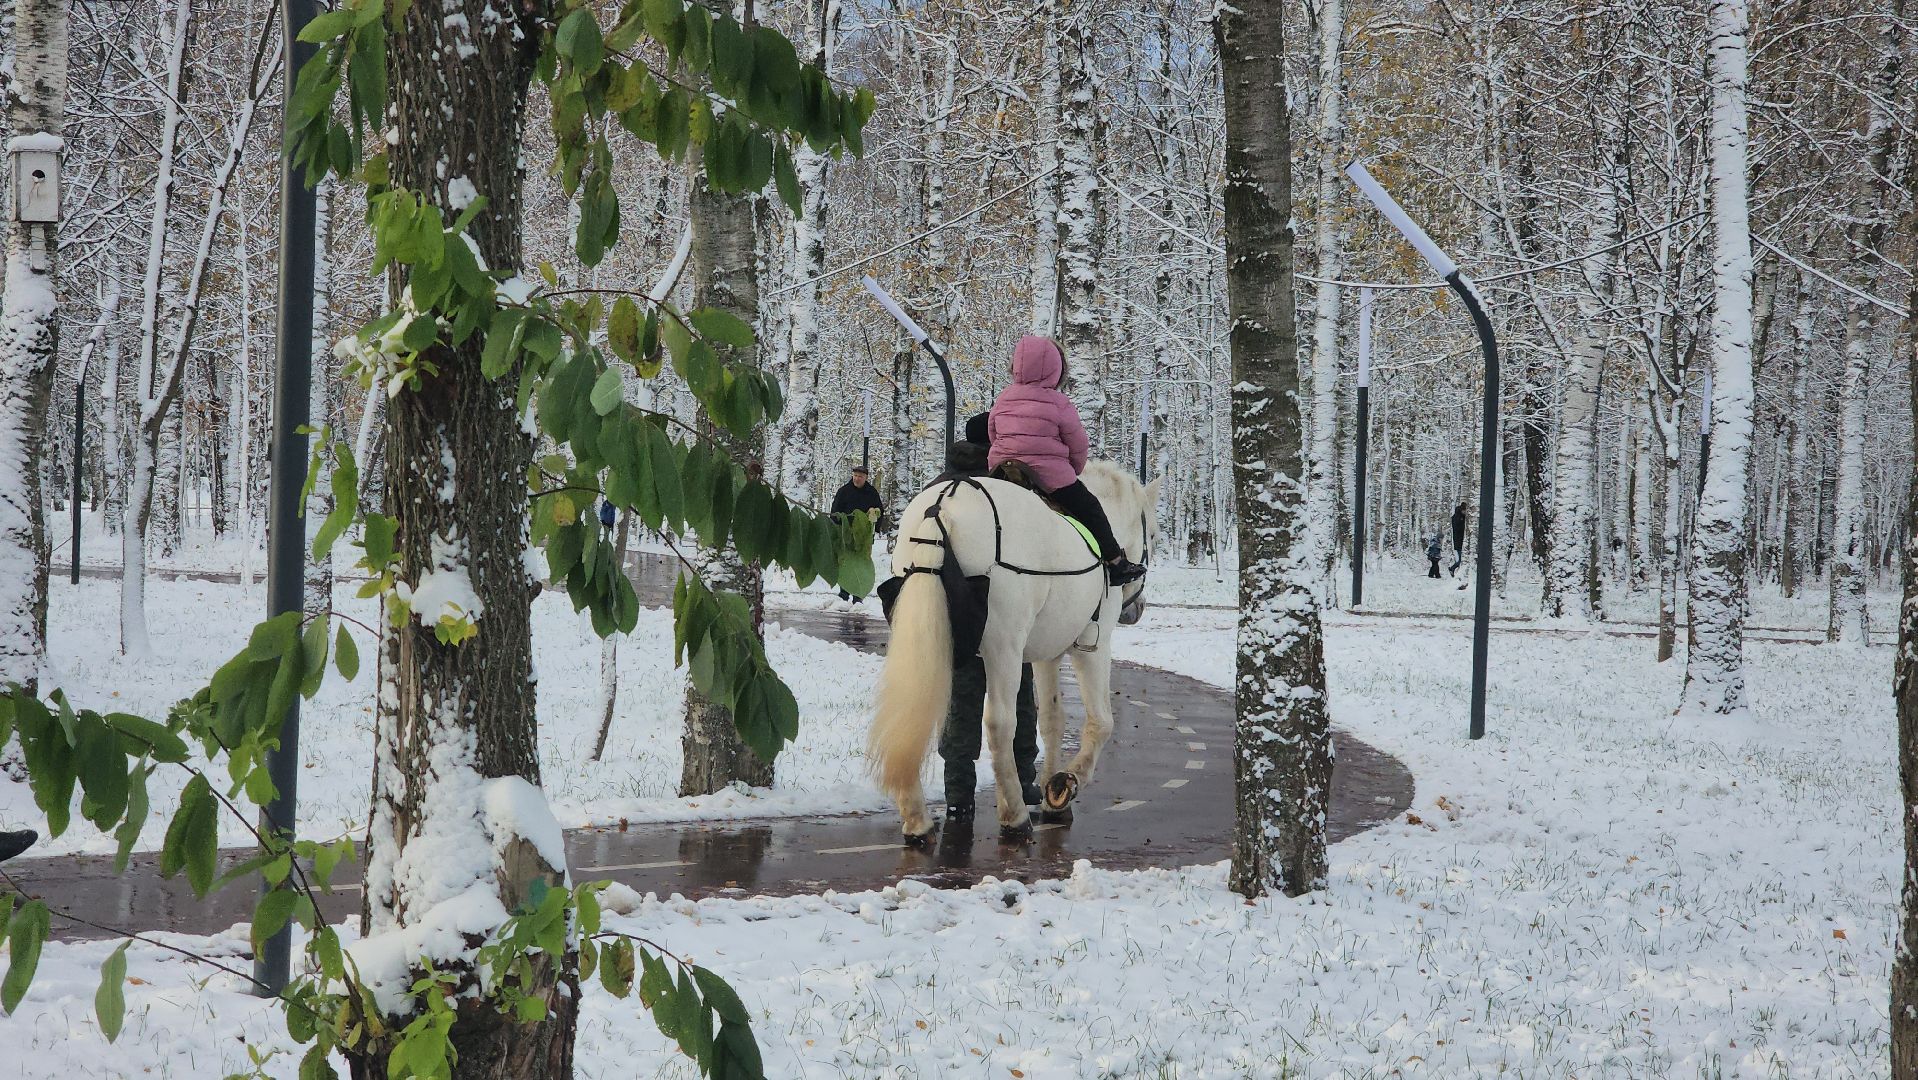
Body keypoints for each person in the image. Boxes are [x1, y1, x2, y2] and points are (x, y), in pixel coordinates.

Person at [938, 418, 1041, 829]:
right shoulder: (1006, 488)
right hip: (1004, 610)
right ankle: (1022, 784)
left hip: (955, 611)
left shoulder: (943, 487)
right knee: (1017, 701)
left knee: (960, 706)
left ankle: (957, 795)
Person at [986, 336, 1146, 585]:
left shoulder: (1004, 398)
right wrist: (1073, 470)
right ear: (1057, 369)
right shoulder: (1059, 402)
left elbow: (992, 433)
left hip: (1005, 474)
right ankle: (1115, 562)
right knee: (1090, 508)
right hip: (1049, 479)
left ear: (1015, 365)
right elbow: (1078, 444)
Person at [829, 466, 885, 606]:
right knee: (846, 564)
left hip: (863, 538)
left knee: (861, 565)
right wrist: (840, 524)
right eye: (854, 475)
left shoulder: (871, 493)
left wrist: (875, 515)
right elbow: (834, 512)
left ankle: (858, 596)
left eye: (860, 476)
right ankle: (844, 594)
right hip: (846, 535)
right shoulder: (844, 491)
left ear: (866, 478)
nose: (856, 478)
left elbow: (880, 511)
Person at [1450, 501, 1468, 577]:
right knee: (1460, 560)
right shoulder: (1458, 517)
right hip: (1459, 541)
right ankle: (1452, 568)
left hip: (1459, 541)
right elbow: (1458, 529)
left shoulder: (1460, 516)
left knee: (1461, 559)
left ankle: (1453, 569)